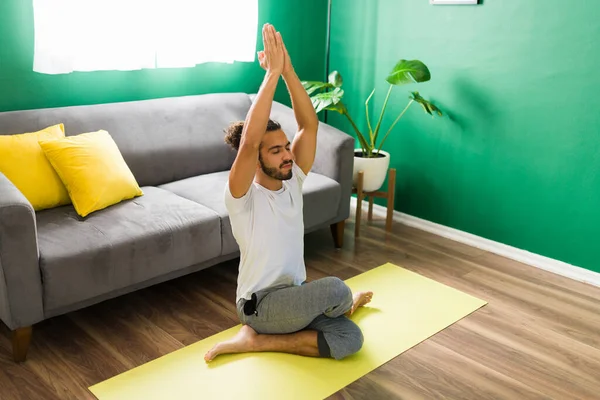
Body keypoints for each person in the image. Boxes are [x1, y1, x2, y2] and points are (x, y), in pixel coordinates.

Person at [204, 23, 373, 363]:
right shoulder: (242, 198)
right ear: (254, 160)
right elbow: (250, 141)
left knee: (350, 338)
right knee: (338, 290)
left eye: (286, 147)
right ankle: (260, 329)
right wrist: (270, 75)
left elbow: (309, 125)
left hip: (293, 301)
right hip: (260, 305)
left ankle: (256, 343)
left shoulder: (293, 180)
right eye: (276, 151)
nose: (287, 155)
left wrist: (289, 72)